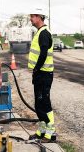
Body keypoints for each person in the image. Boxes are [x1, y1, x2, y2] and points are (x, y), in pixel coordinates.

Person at [27, 8, 56, 142]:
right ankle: (42, 131)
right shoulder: (40, 32)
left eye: (32, 16)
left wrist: (36, 69)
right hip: (40, 74)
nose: (31, 19)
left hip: (43, 74)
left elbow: (43, 54)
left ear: (39, 17)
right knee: (39, 103)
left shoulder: (44, 33)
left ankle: (50, 133)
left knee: (44, 102)